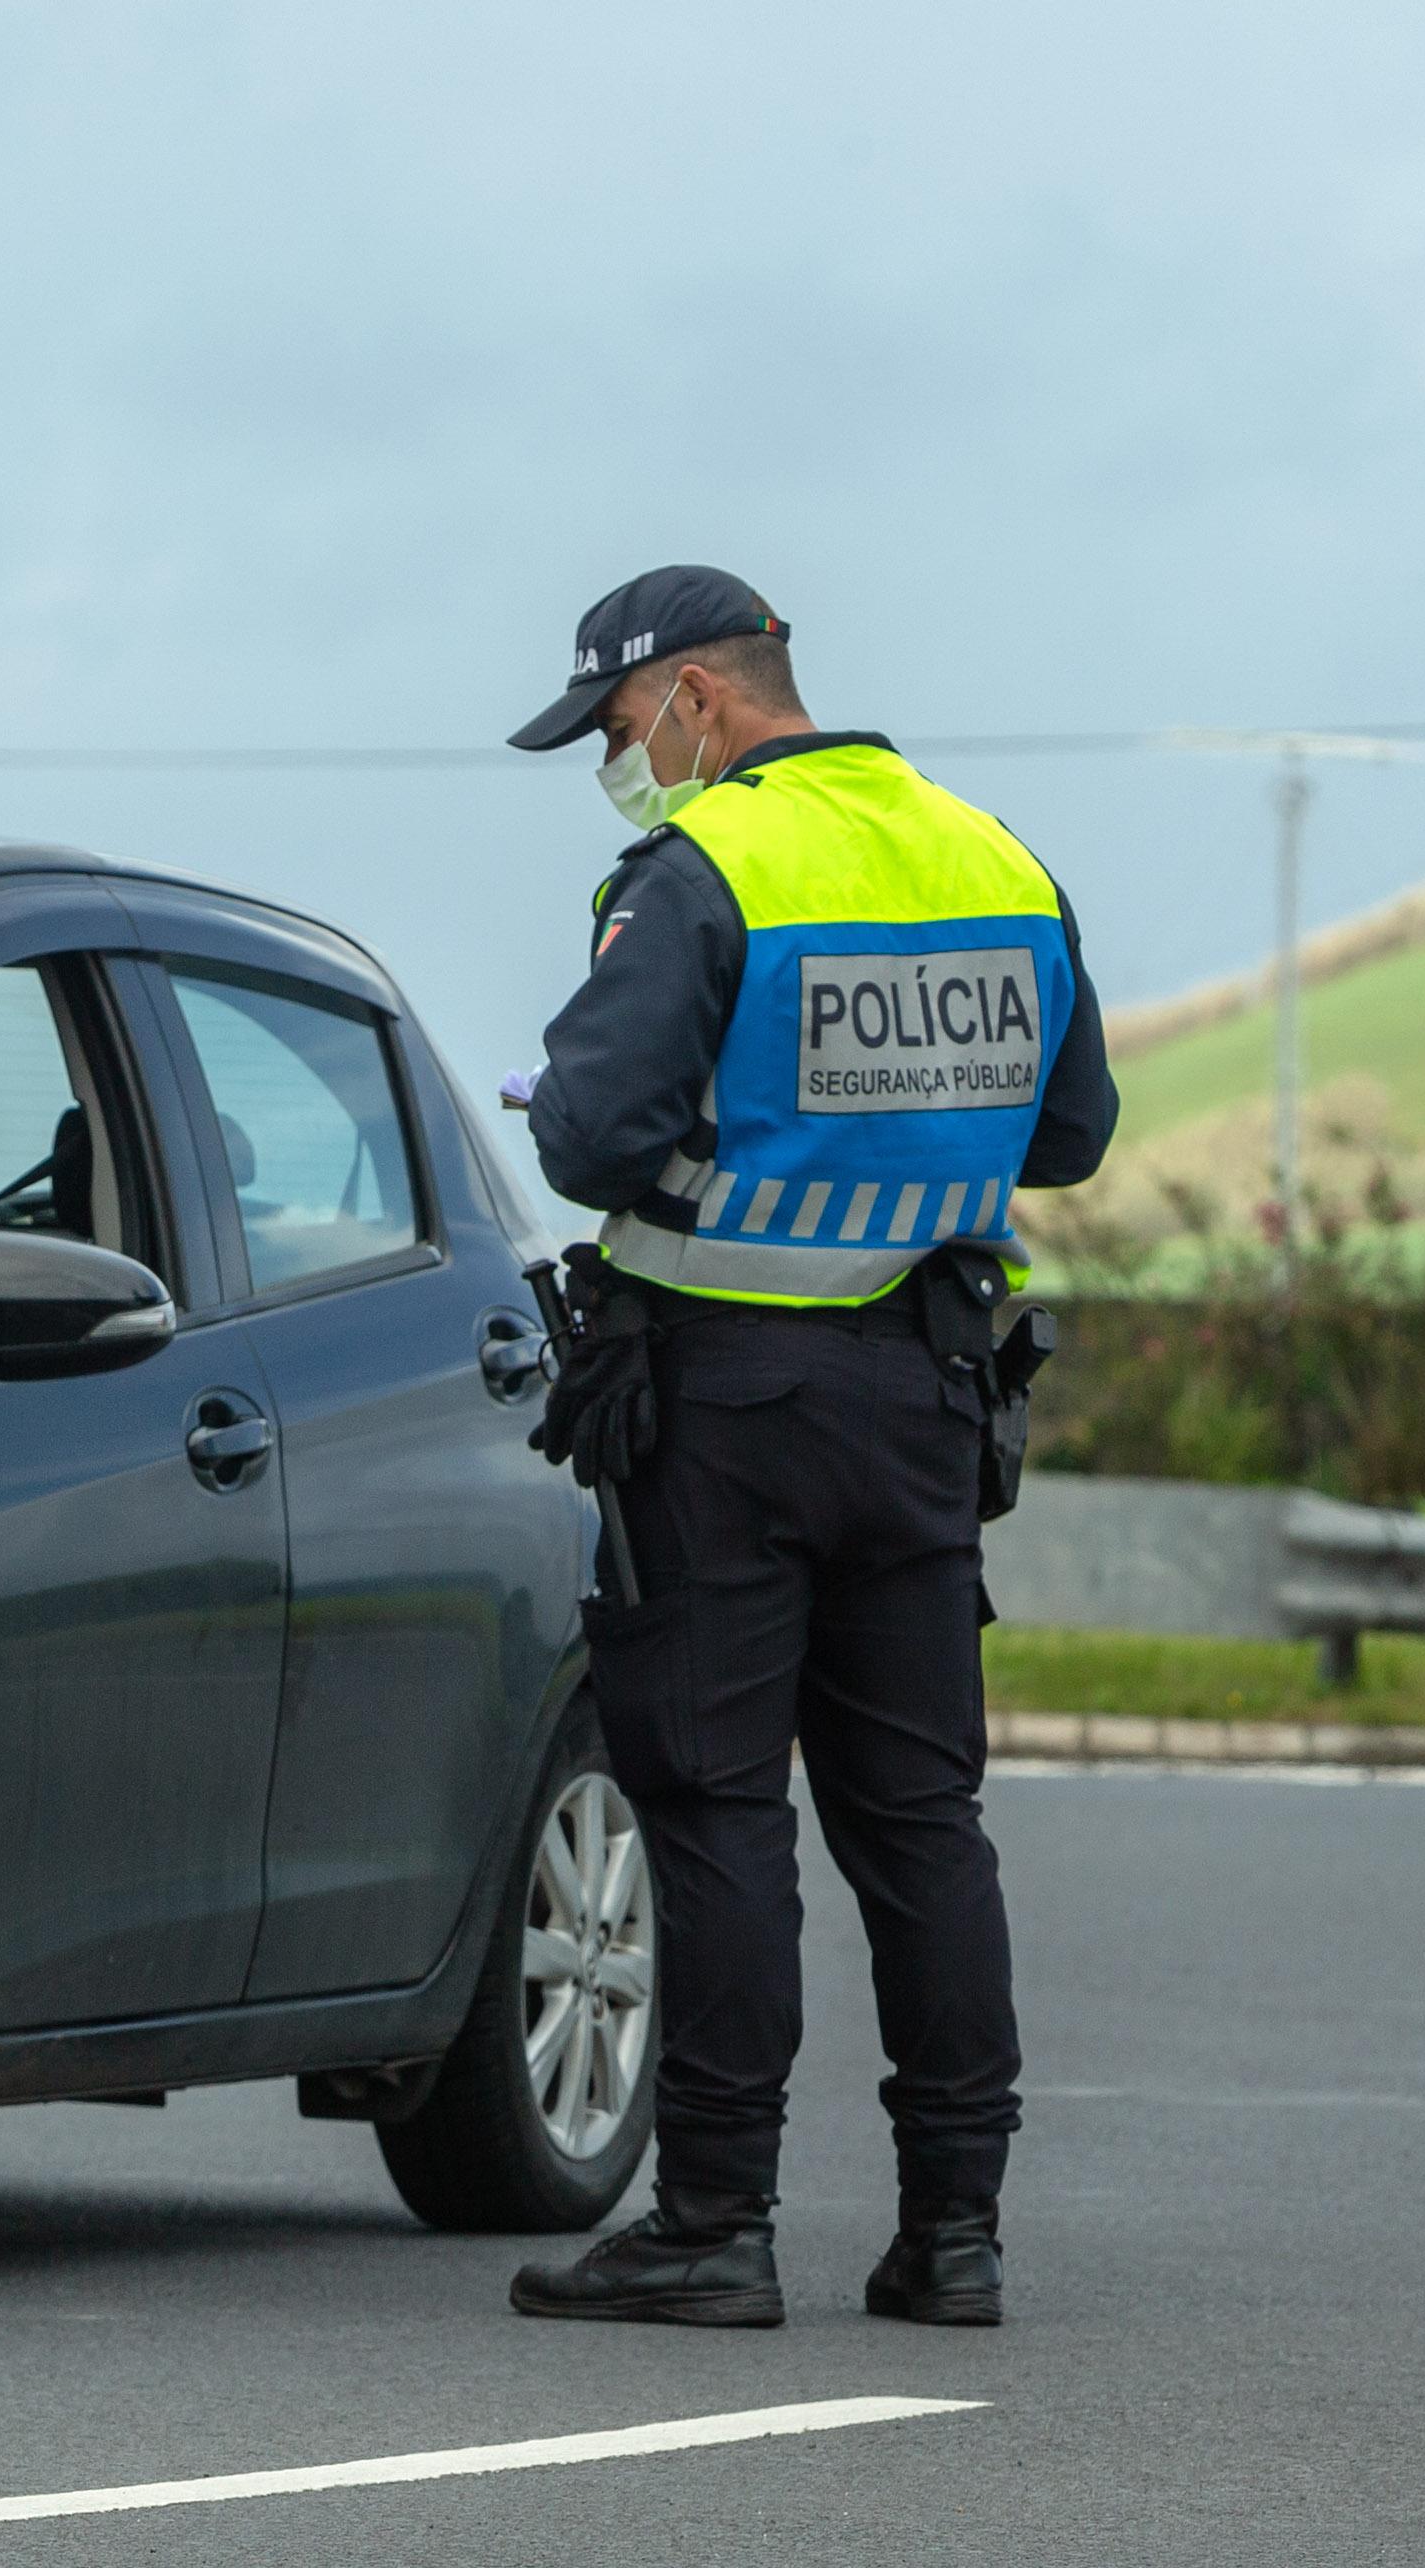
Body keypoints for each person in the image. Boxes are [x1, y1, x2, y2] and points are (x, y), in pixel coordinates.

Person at [494, 565, 1117, 2331]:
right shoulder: (997, 860)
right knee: (921, 1823)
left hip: (725, 1409)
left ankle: (715, 2222)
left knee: (714, 1811)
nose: (617, 763)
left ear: (698, 697)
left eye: (619, 726)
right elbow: (1070, 1132)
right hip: (923, 1401)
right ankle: (956, 2232)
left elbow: (593, 1137)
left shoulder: (706, 871)